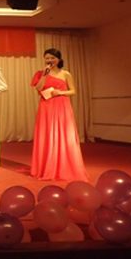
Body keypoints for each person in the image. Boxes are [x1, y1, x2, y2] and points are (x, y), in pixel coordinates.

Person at [30, 48, 88, 181]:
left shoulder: (66, 74)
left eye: (53, 58)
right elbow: (38, 88)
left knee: (63, 134)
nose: (50, 60)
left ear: (59, 59)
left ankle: (63, 166)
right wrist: (44, 75)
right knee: (47, 134)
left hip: (62, 106)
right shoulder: (40, 73)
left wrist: (60, 92)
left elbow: (73, 91)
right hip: (46, 106)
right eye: (47, 58)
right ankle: (46, 167)